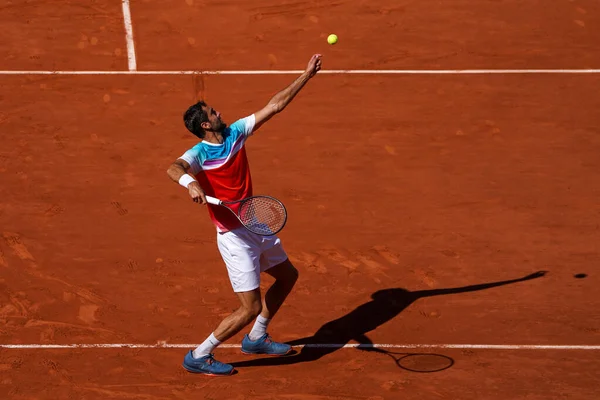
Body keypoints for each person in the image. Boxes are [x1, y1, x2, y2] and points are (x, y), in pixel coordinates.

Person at [166, 54, 323, 376]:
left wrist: (305, 75)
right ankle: (199, 354)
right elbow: (174, 167)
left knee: (287, 277)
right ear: (206, 125)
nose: (220, 112)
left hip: (255, 222)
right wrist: (191, 184)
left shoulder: (236, 132)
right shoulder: (198, 153)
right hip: (234, 237)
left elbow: (275, 105)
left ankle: (256, 337)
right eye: (213, 112)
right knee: (249, 306)